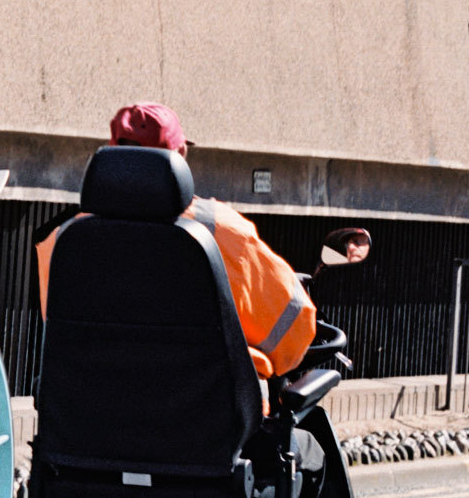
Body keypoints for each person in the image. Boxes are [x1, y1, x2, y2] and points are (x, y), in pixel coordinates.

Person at [36, 103, 316, 380]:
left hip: (90, 410)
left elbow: (63, 334)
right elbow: (292, 336)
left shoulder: (63, 241)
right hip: (205, 414)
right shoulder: (224, 231)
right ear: (179, 154)